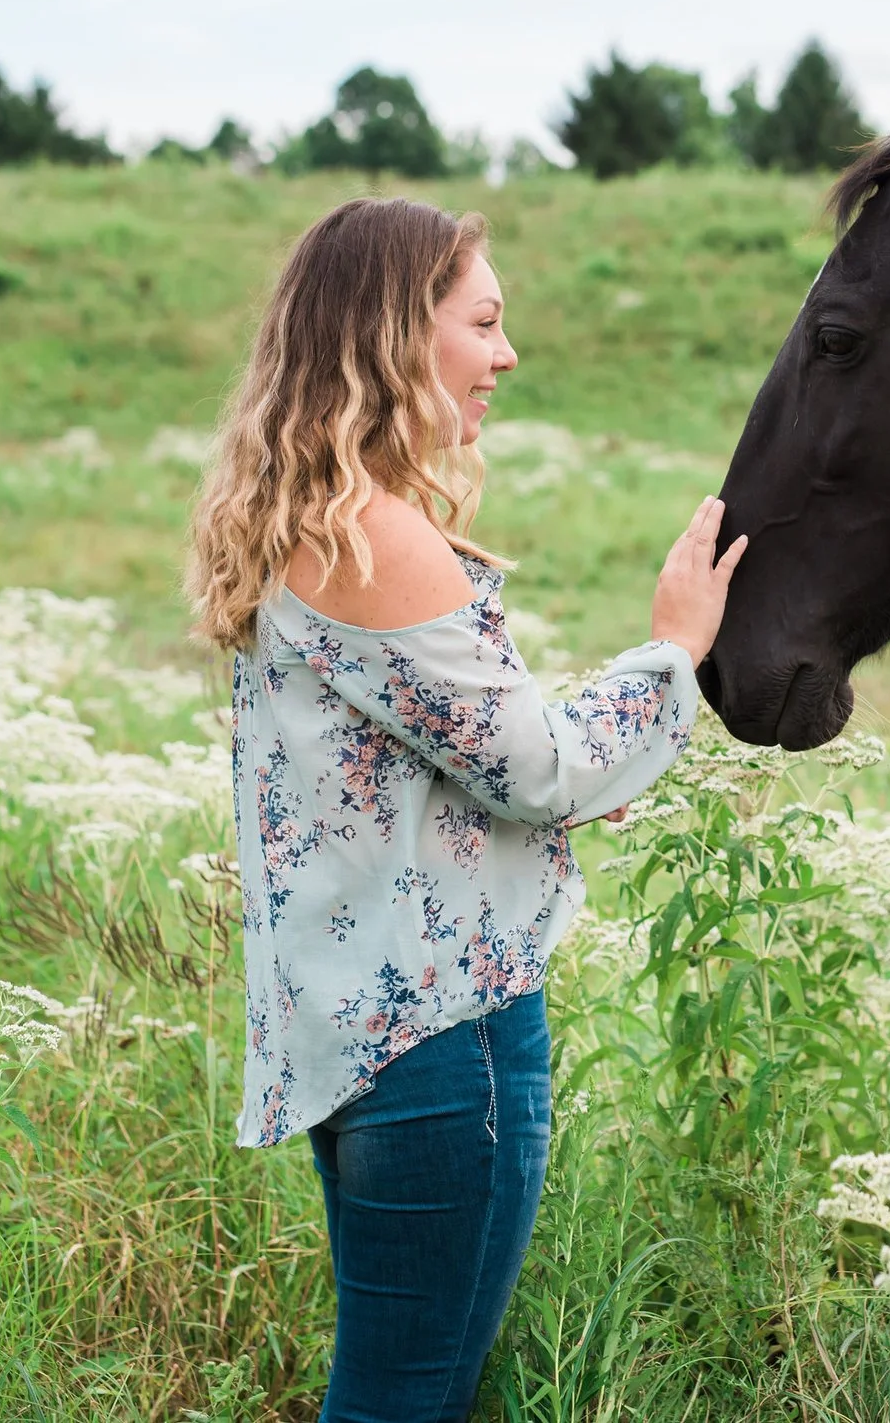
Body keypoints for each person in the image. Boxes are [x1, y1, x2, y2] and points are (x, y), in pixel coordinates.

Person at [185, 195, 744, 1422]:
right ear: (395, 337)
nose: (504, 355)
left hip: (364, 1045)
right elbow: (539, 771)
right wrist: (672, 652)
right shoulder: (378, 538)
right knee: (404, 1401)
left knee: (392, 1390)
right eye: (481, 323)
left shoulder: (304, 526)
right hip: (445, 1045)